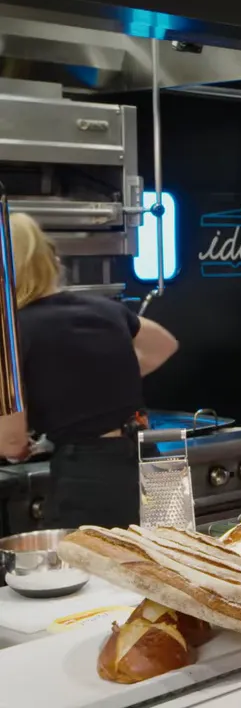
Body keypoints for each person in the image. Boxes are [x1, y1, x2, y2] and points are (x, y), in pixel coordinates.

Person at [0, 213, 178, 528]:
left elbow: (12, 443)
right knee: (160, 564)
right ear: (49, 258)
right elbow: (164, 344)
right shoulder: (105, 308)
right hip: (149, 460)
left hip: (89, 477)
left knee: (88, 572)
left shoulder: (12, 333)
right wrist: (102, 377)